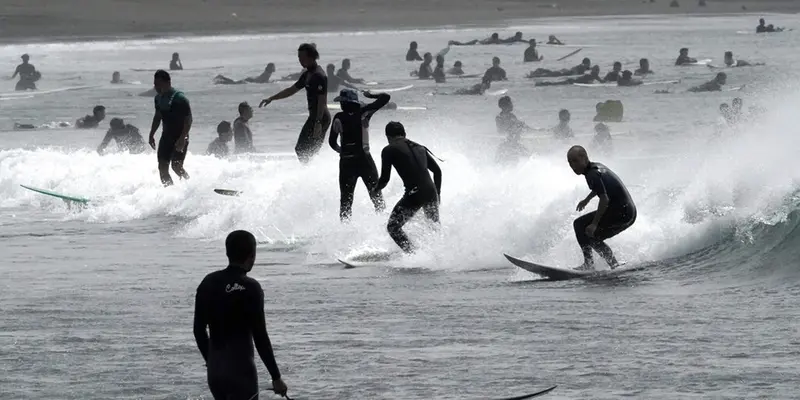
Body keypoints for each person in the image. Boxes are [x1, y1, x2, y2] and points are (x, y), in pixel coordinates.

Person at [193, 230, 289, 400]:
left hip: (216, 373)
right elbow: (260, 337)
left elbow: (198, 330)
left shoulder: (208, 282)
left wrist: (212, 361)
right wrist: (276, 377)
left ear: (227, 252)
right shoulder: (251, 287)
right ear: (252, 255)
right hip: (242, 372)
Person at [373, 122, 442, 253]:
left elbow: (384, 179)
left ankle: (413, 254)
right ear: (404, 134)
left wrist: (376, 189)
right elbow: (437, 171)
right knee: (434, 227)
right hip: (431, 191)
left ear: (388, 136)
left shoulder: (389, 149)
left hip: (415, 192)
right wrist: (438, 194)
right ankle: (439, 255)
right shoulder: (420, 147)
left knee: (393, 227)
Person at [260, 43, 331, 164]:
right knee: (303, 150)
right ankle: (310, 172)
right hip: (314, 118)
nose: (300, 60)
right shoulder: (307, 74)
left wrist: (318, 122)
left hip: (321, 118)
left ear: (311, 57)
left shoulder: (319, 75)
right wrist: (271, 98)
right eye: (299, 58)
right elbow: (292, 90)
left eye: (302, 58)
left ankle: (312, 173)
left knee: (305, 150)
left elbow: (322, 100)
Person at [567, 145, 636, 270]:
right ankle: (613, 264)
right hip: (629, 211)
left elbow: (604, 199)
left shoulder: (591, 174)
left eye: (575, 161)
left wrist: (594, 224)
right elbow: (601, 188)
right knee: (591, 236)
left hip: (621, 211)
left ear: (584, 157)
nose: (573, 166)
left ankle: (589, 264)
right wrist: (587, 200)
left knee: (580, 226)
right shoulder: (596, 167)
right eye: (570, 162)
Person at [328, 89, 390, 221]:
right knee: (376, 195)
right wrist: (370, 95)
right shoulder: (365, 113)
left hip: (346, 163)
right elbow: (385, 97)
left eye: (342, 102)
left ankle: (345, 228)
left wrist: (343, 151)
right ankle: (384, 223)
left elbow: (332, 142)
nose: (341, 105)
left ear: (346, 103)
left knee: (346, 199)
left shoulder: (339, 117)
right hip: (365, 161)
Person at [148, 69, 192, 186]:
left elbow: (189, 120)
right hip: (166, 137)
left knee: (176, 166)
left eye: (158, 84)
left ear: (167, 82)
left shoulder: (179, 98)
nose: (156, 87)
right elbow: (158, 117)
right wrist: (151, 134)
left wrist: (182, 138)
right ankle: (170, 192)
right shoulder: (158, 98)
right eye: (155, 84)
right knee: (162, 168)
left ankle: (191, 186)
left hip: (180, 137)